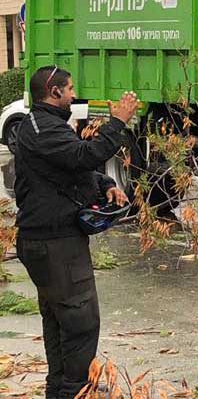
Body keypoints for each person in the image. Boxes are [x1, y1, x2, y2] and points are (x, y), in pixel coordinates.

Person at [12, 65, 138, 399]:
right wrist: (119, 123)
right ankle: (74, 392)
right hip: (55, 245)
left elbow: (71, 170)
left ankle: (59, 390)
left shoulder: (46, 126)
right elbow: (85, 155)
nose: (72, 94)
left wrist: (107, 184)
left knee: (59, 323)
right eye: (68, 89)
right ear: (53, 92)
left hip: (48, 242)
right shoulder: (43, 129)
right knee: (80, 322)